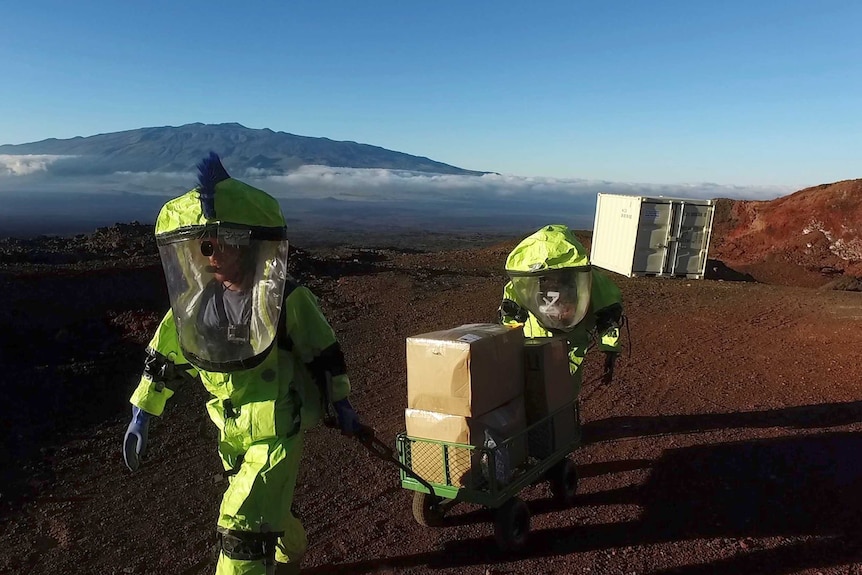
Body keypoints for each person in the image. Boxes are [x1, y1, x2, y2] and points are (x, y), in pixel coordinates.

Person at [122, 152, 364, 575]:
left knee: (241, 528)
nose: (210, 252)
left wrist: (340, 401)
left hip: (275, 429)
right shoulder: (197, 305)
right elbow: (164, 355)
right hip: (229, 431)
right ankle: (291, 546)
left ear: (246, 244)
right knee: (263, 505)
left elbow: (324, 352)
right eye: (204, 243)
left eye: (220, 242)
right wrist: (142, 413)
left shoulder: (284, 300)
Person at [498, 224, 624, 398]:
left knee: (562, 389)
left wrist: (610, 349)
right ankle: (557, 419)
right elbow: (511, 314)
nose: (553, 282)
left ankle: (561, 420)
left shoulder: (589, 280)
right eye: (547, 278)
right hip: (537, 342)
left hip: (566, 343)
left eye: (558, 277)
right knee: (537, 388)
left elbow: (607, 315)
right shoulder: (526, 282)